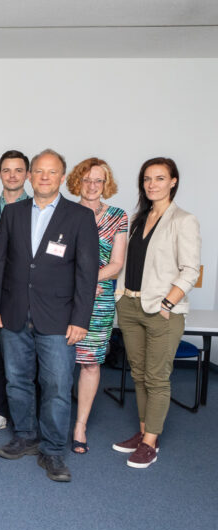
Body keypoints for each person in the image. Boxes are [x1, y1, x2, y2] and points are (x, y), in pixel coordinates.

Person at [0, 149, 98, 483]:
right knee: (17, 380)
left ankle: (51, 450)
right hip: (14, 312)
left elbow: (87, 273)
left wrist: (81, 319)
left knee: (57, 386)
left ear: (62, 178)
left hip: (59, 318)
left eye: (52, 172)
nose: (45, 177)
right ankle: (25, 435)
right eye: (39, 171)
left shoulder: (79, 216)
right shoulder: (14, 213)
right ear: (30, 176)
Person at [114, 157, 200, 469]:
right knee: (138, 373)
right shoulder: (138, 218)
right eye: (148, 179)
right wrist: (122, 297)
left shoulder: (183, 220)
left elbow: (190, 270)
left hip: (163, 311)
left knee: (157, 377)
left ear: (173, 182)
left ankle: (151, 441)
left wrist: (168, 303)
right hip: (131, 306)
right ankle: (142, 432)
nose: (152, 184)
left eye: (160, 178)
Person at [67, 158, 127, 454]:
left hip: (98, 301)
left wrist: (83, 280)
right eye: (87, 179)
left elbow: (116, 265)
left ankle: (80, 425)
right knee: (57, 363)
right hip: (61, 299)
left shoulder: (118, 216)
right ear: (77, 181)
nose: (92, 186)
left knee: (89, 364)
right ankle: (53, 422)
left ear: (106, 184)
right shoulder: (63, 213)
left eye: (98, 181)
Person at [0, 150, 30, 436]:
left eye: (18, 170)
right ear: (0, 173)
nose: (12, 175)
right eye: (7, 170)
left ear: (27, 174)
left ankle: (26, 413)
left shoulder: (38, 207)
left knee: (28, 358)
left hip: (27, 294)